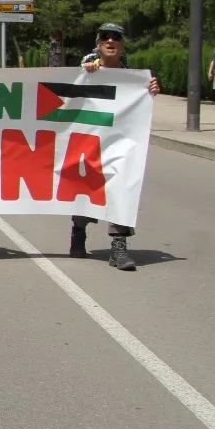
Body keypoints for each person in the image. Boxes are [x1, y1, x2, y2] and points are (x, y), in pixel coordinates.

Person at [71, 22, 160, 270]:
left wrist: (151, 89)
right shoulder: (86, 69)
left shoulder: (134, 77)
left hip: (119, 144)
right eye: (106, 38)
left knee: (121, 189)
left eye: (116, 38)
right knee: (88, 191)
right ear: (98, 44)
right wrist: (85, 72)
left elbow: (139, 104)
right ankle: (78, 230)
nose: (111, 41)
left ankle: (118, 248)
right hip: (91, 141)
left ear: (122, 44)